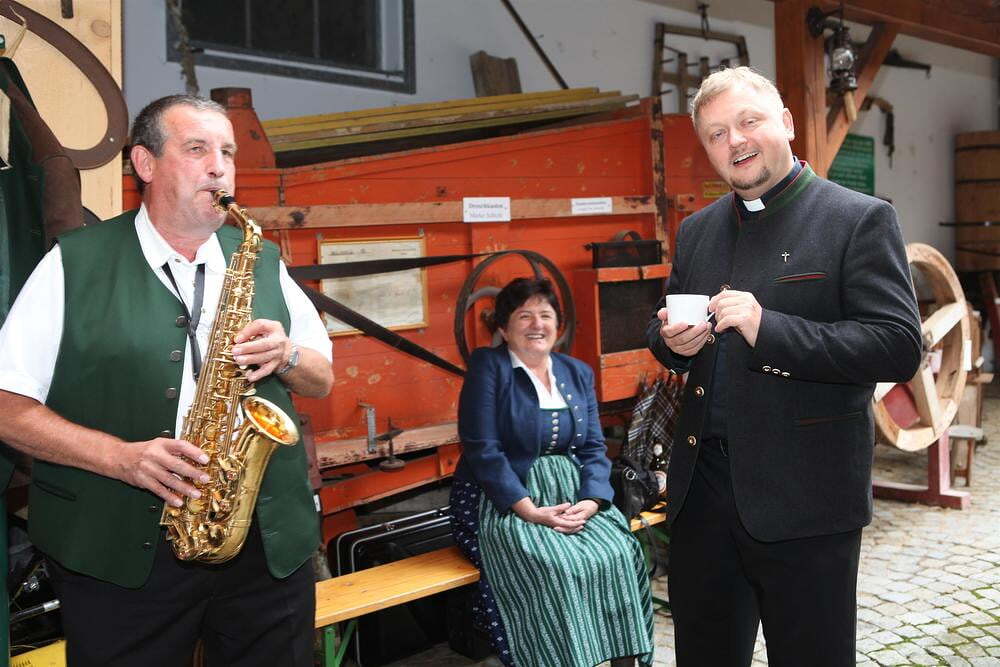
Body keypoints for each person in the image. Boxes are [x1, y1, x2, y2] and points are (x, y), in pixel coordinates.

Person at [0, 94, 333, 666]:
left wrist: (287, 354)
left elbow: (322, 378)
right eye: (197, 149)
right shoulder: (73, 263)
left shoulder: (261, 258)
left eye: (227, 152)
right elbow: (6, 404)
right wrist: (121, 458)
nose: (219, 168)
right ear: (145, 163)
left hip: (263, 544)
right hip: (121, 552)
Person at [646, 67, 922, 666]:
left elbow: (898, 346)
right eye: (717, 134)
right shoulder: (697, 231)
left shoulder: (858, 219)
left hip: (807, 497)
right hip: (703, 496)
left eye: (749, 121)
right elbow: (661, 329)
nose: (736, 141)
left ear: (787, 123)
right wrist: (674, 344)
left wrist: (766, 328)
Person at [451, 277, 654, 667]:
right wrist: (528, 510)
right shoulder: (489, 367)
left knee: (620, 553)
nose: (536, 325)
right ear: (503, 327)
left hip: (572, 494)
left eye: (545, 315)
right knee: (557, 566)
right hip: (503, 501)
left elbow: (593, 446)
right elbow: (482, 449)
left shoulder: (576, 372)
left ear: (558, 326)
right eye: (524, 316)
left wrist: (592, 501)